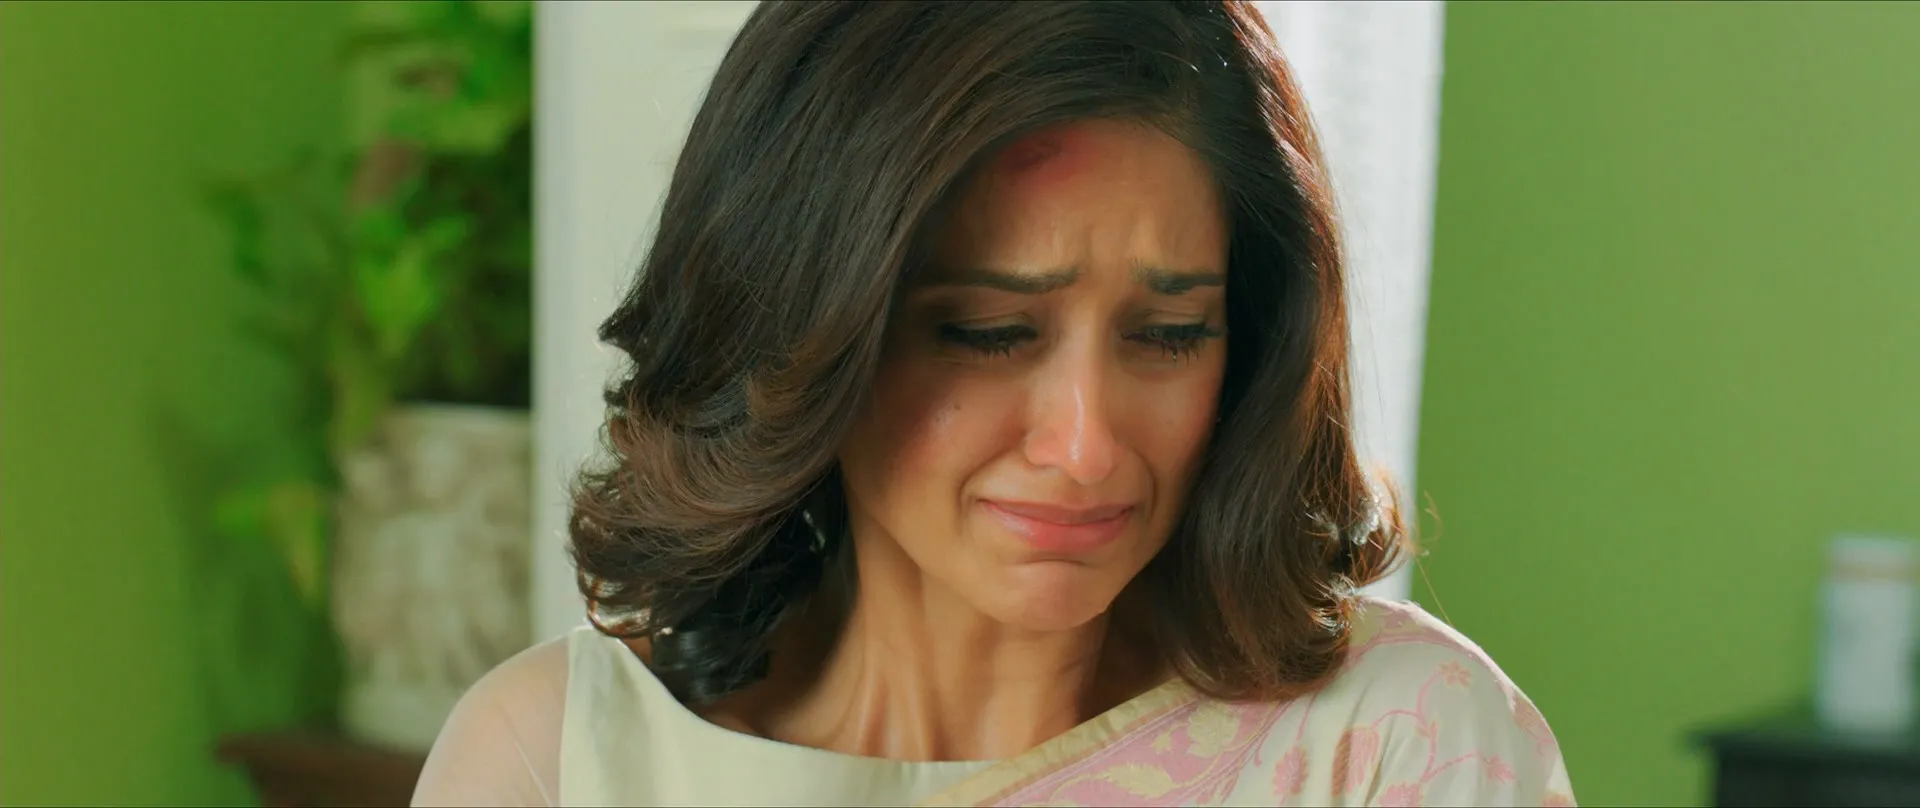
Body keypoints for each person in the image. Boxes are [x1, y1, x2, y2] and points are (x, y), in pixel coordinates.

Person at [412, 1, 1575, 805]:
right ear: (802, 329)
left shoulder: (1395, 747)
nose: (1085, 444)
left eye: (1169, 335)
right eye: (985, 332)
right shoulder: (557, 761)